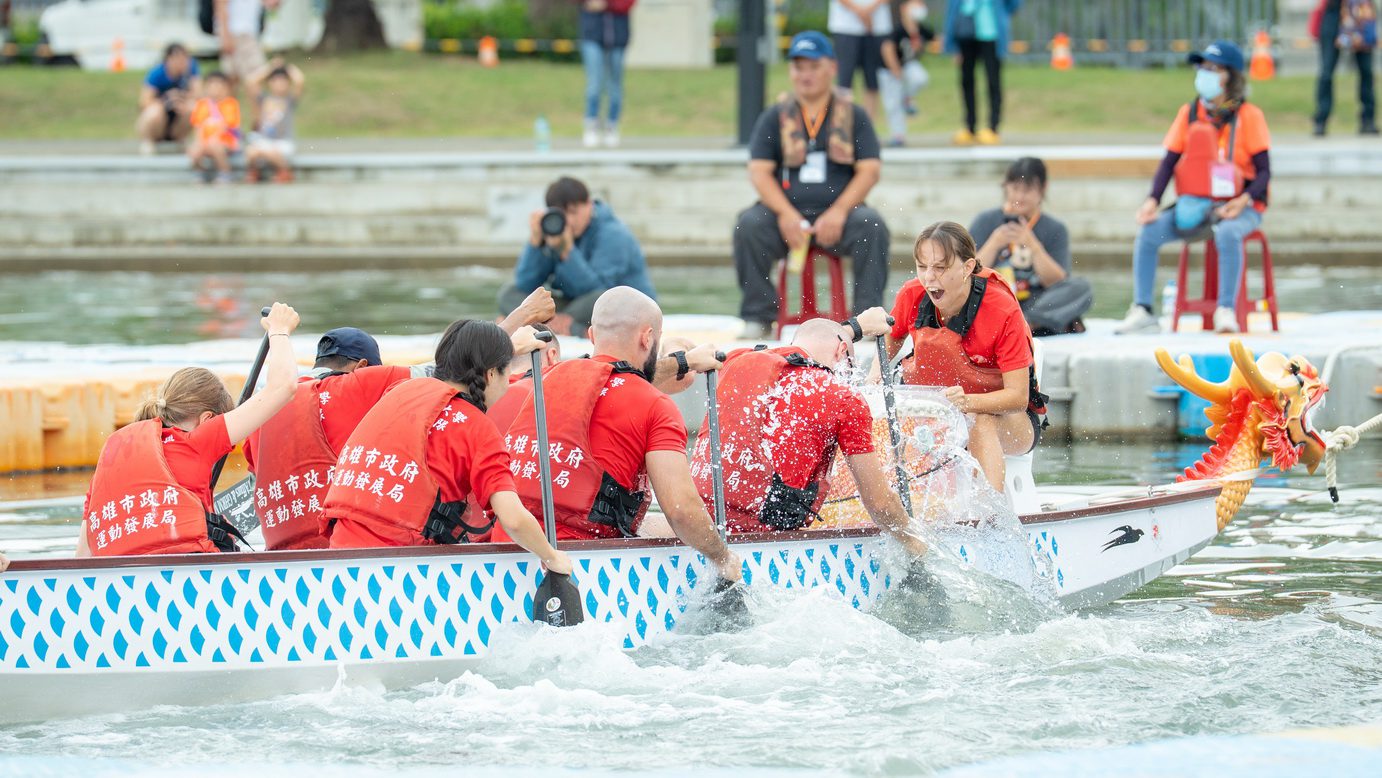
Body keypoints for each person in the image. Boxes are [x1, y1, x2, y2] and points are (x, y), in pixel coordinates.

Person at [244, 292, 556, 550]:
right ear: (363, 367)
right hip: (337, 548)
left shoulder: (266, 406)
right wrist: (521, 319)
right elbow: (452, 372)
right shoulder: (361, 386)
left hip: (281, 552)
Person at [492, 287, 743, 586]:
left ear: (592, 336)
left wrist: (684, 361)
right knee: (697, 530)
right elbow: (681, 511)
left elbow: (614, 377)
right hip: (582, 564)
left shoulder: (543, 377)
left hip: (504, 549)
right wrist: (722, 557)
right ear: (648, 338)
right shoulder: (656, 406)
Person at [320, 320, 574, 581]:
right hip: (395, 574)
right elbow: (514, 519)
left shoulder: (399, 389)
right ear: (490, 375)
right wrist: (552, 558)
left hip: (338, 562)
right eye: (506, 373)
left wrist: (508, 347)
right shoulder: (478, 428)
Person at [77, 303, 301, 557]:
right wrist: (280, 330)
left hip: (118, 581)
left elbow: (83, 555)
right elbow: (283, 387)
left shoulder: (113, 450)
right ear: (208, 419)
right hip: (191, 578)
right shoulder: (198, 439)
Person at [689, 313, 925, 553]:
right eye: (849, 368)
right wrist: (916, 543)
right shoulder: (844, 397)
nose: (847, 378)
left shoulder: (735, 360)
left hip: (697, 524)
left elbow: (809, 342)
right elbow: (880, 504)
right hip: (766, 542)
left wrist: (853, 328)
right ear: (842, 350)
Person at [734, 31, 891, 341]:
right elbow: (759, 171)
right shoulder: (775, 116)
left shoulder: (853, 114)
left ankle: (866, 317)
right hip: (786, 215)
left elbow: (870, 170)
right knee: (748, 226)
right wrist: (786, 214)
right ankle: (758, 315)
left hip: (841, 215)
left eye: (813, 66)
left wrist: (840, 211)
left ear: (831, 67)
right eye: (798, 67)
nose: (805, 75)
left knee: (872, 225)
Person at [1115, 40, 1272, 336]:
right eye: (1202, 67)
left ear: (1231, 76)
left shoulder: (1250, 116)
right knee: (1148, 232)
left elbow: (1265, 172)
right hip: (1196, 206)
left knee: (1227, 232)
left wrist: (1243, 199)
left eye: (1213, 69)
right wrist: (1152, 200)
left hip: (1241, 206)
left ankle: (1225, 310)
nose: (1205, 74)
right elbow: (1169, 162)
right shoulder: (1189, 113)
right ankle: (1143, 310)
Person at [885, 222, 1046, 493]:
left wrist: (967, 402)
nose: (929, 278)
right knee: (884, 423)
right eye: (922, 267)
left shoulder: (1002, 309)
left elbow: (1018, 397)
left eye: (940, 268)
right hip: (938, 417)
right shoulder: (912, 294)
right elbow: (889, 340)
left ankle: (991, 522)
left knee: (977, 421)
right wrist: (874, 379)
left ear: (968, 267)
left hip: (1009, 419)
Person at [498, 176, 656, 338]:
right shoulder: (555, 230)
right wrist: (536, 243)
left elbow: (599, 291)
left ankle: (547, 324)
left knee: (600, 298)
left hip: (625, 308)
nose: (570, 220)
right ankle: (560, 324)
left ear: (589, 204)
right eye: (563, 214)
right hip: (575, 308)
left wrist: (567, 250)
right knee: (509, 293)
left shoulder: (613, 234)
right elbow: (525, 284)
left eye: (574, 212)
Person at [969, 157, 1092, 336]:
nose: (1019, 197)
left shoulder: (1055, 228)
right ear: (1006, 187)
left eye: (1027, 190)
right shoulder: (985, 221)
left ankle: (1025, 324)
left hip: (1035, 302)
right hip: (994, 299)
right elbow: (967, 275)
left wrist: (1034, 246)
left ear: (1043, 189)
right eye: (1015, 189)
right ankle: (1043, 324)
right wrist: (994, 243)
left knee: (1081, 288)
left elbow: (1058, 282)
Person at [944, 0, 1022, 146]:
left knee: (993, 81)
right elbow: (953, 8)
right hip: (966, 32)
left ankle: (993, 127)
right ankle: (970, 126)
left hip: (990, 32)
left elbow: (1013, 4)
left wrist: (1003, 14)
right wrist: (952, 43)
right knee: (967, 81)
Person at [1311, 0, 1378, 136]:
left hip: (1360, 10)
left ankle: (1368, 119)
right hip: (1334, 11)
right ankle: (1321, 119)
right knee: (1326, 72)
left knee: (1366, 71)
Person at [877, 0, 935, 147]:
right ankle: (898, 135)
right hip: (889, 69)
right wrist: (895, 68)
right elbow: (887, 48)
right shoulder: (897, 28)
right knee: (892, 103)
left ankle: (907, 97)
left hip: (907, 65)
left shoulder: (920, 29)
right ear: (904, 9)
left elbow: (936, 40)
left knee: (920, 78)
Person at [579, 0, 635, 148]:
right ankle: (591, 125)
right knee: (594, 83)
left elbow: (627, 3)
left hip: (618, 35)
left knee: (615, 85)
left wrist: (607, 4)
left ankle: (612, 126)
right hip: (592, 33)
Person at [828, 0, 893, 118]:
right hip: (845, 27)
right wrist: (861, 12)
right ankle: (843, 127)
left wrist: (869, 10)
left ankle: (867, 128)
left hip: (876, 27)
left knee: (873, 81)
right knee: (844, 81)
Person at [244, 58, 304, 183]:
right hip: (265, 140)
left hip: (283, 142)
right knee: (251, 152)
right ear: (269, 83)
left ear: (288, 83)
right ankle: (255, 172)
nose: (279, 84)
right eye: (275, 81)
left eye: (283, 81)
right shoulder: (264, 99)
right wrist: (271, 67)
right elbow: (250, 81)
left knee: (272, 153)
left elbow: (300, 80)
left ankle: (284, 172)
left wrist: (286, 66)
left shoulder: (289, 100)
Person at [137, 43, 201, 156]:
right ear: (168, 60)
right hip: (160, 115)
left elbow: (199, 95)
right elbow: (144, 102)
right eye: (177, 59)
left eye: (184, 59)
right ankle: (149, 140)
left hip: (178, 115)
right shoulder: (157, 73)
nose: (181, 63)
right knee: (154, 111)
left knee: (193, 107)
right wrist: (166, 101)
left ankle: (180, 139)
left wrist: (180, 99)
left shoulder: (191, 70)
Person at [188, 72, 241, 185]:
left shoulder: (230, 104)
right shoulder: (202, 105)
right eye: (211, 85)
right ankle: (199, 172)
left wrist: (213, 140)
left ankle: (225, 172)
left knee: (214, 144)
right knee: (194, 149)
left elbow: (226, 125)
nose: (215, 89)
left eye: (219, 85)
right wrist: (199, 143)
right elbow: (198, 127)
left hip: (226, 141)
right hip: (206, 141)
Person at [215, 0, 269, 91]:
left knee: (234, 77)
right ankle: (228, 104)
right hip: (236, 33)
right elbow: (220, 5)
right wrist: (225, 36)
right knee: (255, 76)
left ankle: (230, 104)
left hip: (248, 33)